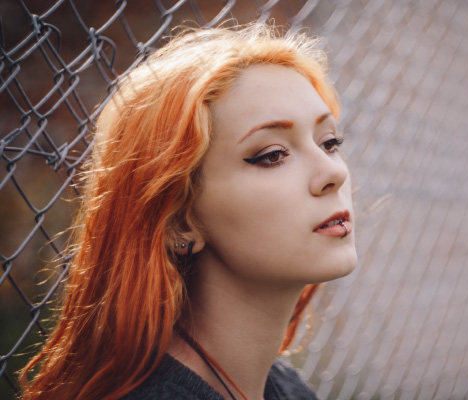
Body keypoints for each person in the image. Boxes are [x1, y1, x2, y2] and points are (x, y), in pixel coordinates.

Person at [20, 23, 356, 400]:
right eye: (272, 155)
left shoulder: (288, 390)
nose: (334, 172)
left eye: (329, 142)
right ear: (180, 221)